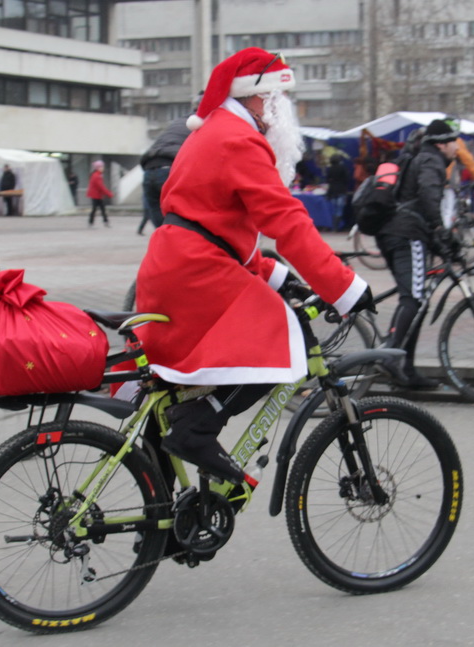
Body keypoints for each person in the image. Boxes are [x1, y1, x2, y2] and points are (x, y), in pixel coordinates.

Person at [135, 48, 373, 484]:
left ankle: (164, 521)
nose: (288, 113)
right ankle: (199, 427)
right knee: (286, 338)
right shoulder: (239, 138)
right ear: (261, 98)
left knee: (171, 392)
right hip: (194, 276)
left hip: (179, 267)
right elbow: (287, 221)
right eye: (283, 102)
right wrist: (346, 288)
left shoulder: (214, 132)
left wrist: (282, 278)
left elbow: (215, 229)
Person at [375, 118, 461, 389]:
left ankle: (408, 371)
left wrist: (440, 245)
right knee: (412, 297)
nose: (457, 148)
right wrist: (441, 228)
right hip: (406, 234)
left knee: (418, 302)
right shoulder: (431, 161)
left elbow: (417, 203)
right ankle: (389, 356)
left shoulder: (420, 158)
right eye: (455, 142)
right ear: (443, 144)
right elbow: (427, 196)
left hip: (399, 232)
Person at [137, 94, 201, 235]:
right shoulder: (203, 122)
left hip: (149, 170)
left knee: (163, 229)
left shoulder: (179, 121)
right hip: (169, 169)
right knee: (185, 222)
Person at [324, 154, 350, 231]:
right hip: (341, 190)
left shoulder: (330, 169)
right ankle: (337, 226)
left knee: (333, 209)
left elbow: (327, 179)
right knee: (339, 209)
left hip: (332, 191)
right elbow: (346, 179)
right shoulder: (343, 168)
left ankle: (333, 226)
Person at [86, 160, 113, 227]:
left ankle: (94, 222)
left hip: (97, 195)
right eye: (101, 167)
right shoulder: (97, 176)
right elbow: (101, 187)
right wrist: (109, 193)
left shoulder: (96, 175)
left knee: (99, 209)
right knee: (98, 209)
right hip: (96, 195)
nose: (103, 168)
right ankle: (94, 222)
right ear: (98, 168)